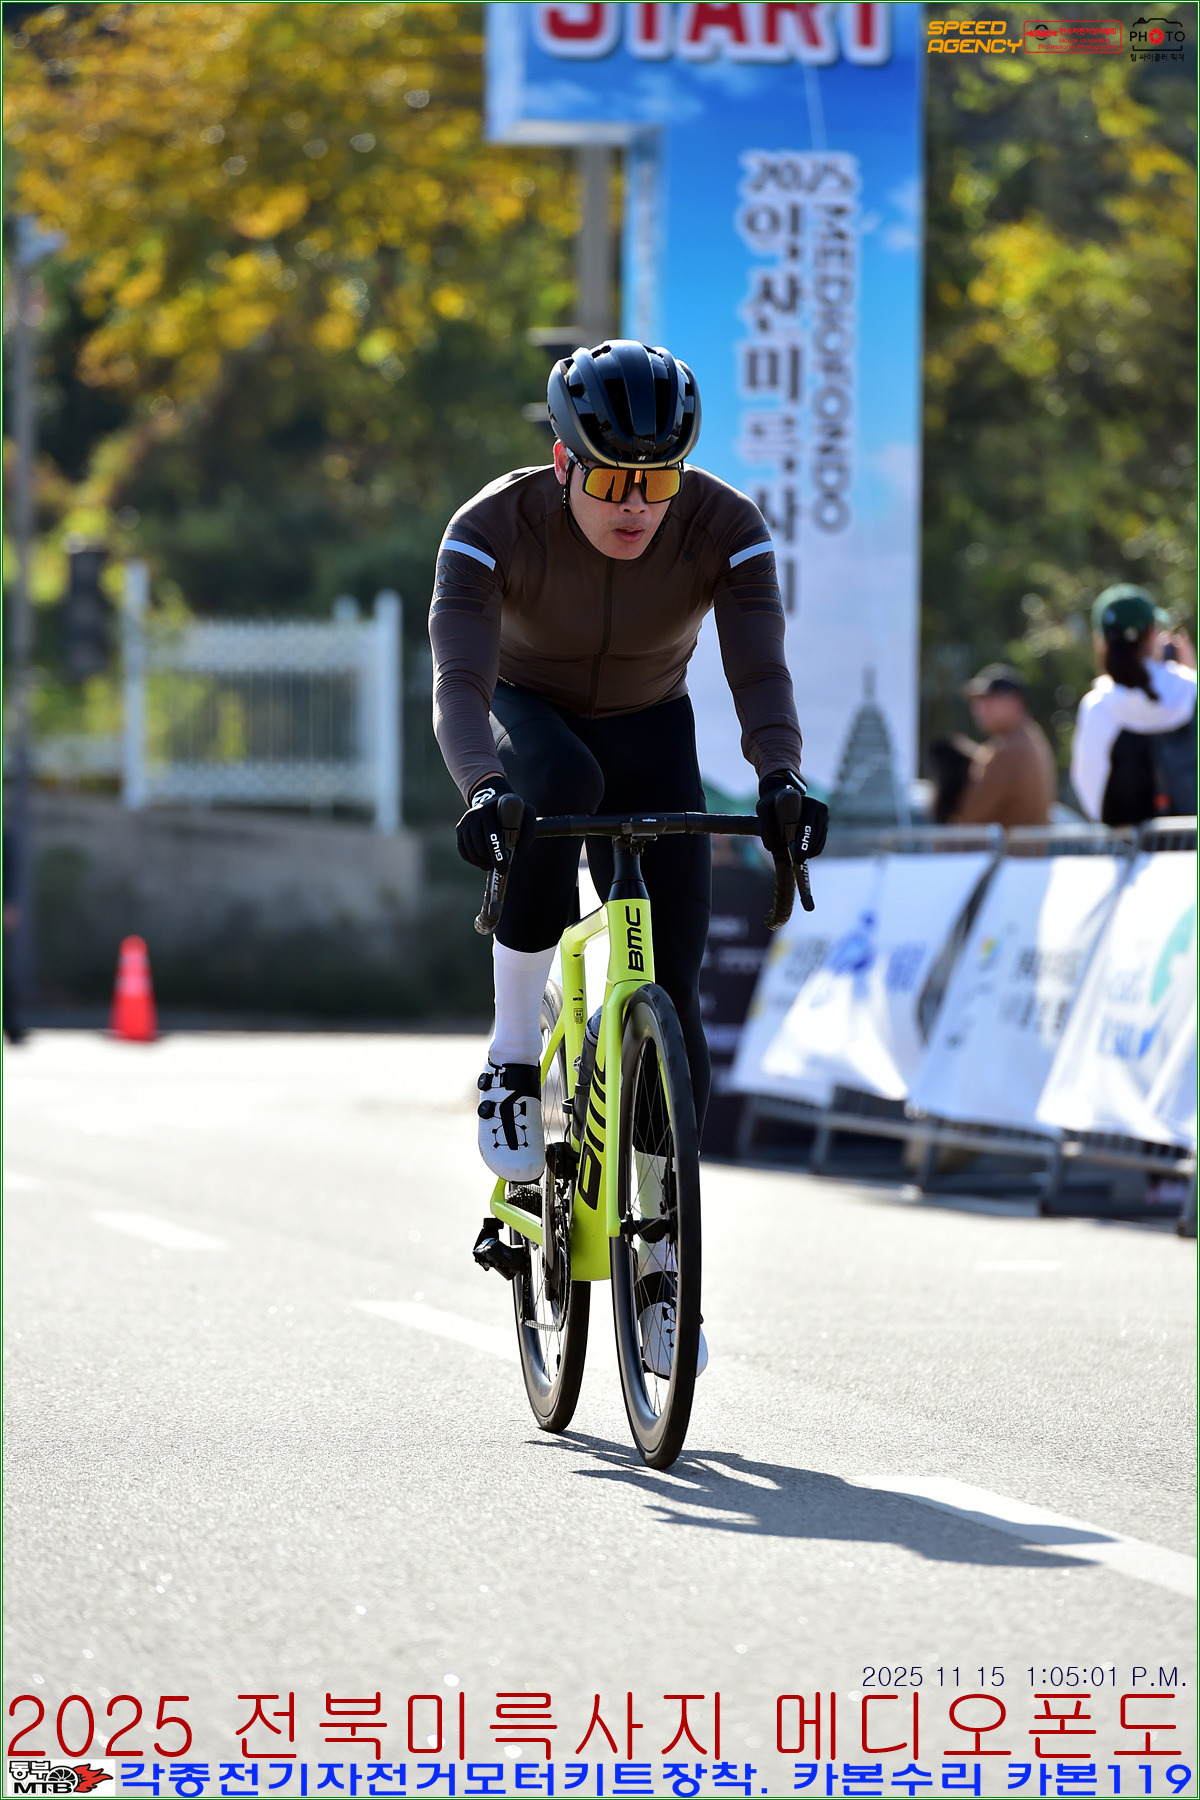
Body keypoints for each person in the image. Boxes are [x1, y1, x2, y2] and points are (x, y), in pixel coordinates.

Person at [430, 341, 828, 1369]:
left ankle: (661, 1265)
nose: (638, 505)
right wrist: (482, 787)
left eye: (660, 480)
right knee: (558, 786)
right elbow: (459, 685)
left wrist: (780, 775)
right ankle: (514, 1055)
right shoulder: (490, 528)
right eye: (612, 481)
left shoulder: (726, 526)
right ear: (564, 463)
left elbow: (760, 674)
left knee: (676, 1004)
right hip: (529, 716)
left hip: (655, 727)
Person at [1070, 586, 1198, 826]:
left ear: (1101, 640)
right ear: (1151, 633)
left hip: (1130, 846)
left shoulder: (1098, 704)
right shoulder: (1190, 688)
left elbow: (1090, 790)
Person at [950, 664, 1056, 828]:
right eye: (978, 701)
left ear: (1015, 701)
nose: (981, 707)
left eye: (990, 698)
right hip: (1022, 843)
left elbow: (968, 814)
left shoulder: (1009, 750)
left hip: (1007, 845)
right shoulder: (1030, 736)